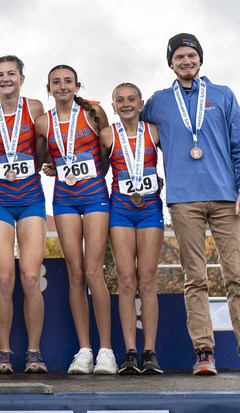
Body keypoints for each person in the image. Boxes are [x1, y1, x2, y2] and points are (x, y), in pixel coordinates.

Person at [142, 33, 240, 375]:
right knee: (195, 278)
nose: (185, 62)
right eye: (179, 57)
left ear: (200, 59)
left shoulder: (222, 95)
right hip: (183, 200)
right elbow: (128, 134)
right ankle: (204, 351)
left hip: (225, 197)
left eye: (191, 56)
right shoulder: (157, 102)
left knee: (237, 275)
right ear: (170, 63)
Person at [35, 65, 115, 375]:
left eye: (68, 81)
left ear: (77, 85)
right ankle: (84, 350)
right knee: (76, 271)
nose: (62, 86)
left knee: (95, 271)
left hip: (95, 195)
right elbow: (42, 157)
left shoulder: (94, 112)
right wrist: (57, 166)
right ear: (49, 88)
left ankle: (106, 349)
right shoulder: (43, 122)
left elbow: (107, 152)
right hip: (64, 199)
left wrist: (93, 174)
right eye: (56, 82)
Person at [0, 55, 47, 374]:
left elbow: (46, 147)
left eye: (11, 74)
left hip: (31, 197)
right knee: (4, 278)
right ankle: (3, 352)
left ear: (22, 77)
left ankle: (34, 352)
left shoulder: (35, 109)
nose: (5, 79)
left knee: (31, 277)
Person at [100, 83, 165, 375]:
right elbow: (92, 166)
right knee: (126, 281)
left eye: (131, 99)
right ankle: (129, 351)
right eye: (119, 100)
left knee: (147, 281)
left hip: (150, 210)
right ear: (113, 105)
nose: (126, 104)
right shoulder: (106, 135)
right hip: (121, 212)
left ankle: (149, 352)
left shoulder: (154, 131)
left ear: (140, 103)